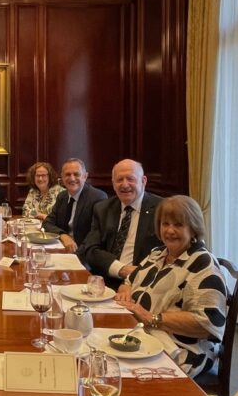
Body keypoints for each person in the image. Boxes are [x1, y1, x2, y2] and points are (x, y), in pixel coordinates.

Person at [113, 196, 228, 376]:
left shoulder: (203, 264)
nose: (170, 230)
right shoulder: (158, 253)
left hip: (182, 350)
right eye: (165, 224)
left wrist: (150, 317)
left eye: (178, 225)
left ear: (193, 228)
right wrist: (125, 292)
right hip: (143, 336)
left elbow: (207, 323)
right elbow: (129, 281)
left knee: (116, 373)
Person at [79, 159, 162, 287]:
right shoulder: (103, 209)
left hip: (147, 285)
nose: (124, 185)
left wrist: (137, 276)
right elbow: (91, 249)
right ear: (113, 183)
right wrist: (121, 269)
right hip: (105, 282)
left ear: (143, 181)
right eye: (119, 180)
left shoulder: (162, 209)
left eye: (130, 179)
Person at [40, 158, 107, 252]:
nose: (72, 178)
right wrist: (63, 236)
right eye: (67, 174)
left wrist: (76, 253)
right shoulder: (62, 196)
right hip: (62, 248)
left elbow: (95, 236)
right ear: (62, 178)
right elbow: (47, 223)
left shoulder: (97, 197)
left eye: (76, 174)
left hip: (84, 253)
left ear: (85, 176)